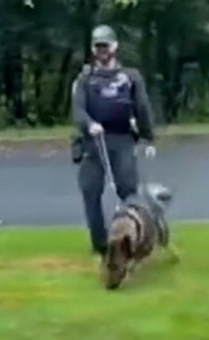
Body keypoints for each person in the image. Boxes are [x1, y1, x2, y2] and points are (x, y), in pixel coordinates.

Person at [71, 24, 157, 258]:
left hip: (122, 139)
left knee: (128, 190)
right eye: (98, 46)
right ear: (92, 48)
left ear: (115, 47)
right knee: (90, 190)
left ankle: (132, 239)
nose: (102, 51)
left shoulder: (130, 77)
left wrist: (148, 138)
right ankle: (101, 246)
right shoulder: (85, 79)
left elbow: (142, 108)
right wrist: (90, 124)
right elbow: (78, 110)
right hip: (93, 142)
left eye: (105, 46)